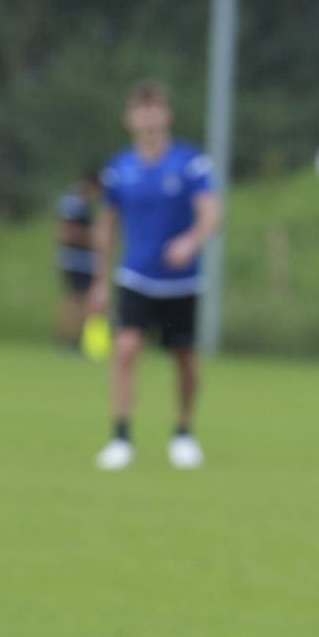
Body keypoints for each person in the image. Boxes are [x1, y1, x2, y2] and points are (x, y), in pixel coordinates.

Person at [87, 81, 222, 471]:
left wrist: (190, 242)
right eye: (140, 111)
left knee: (184, 359)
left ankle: (183, 432)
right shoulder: (118, 169)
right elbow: (107, 227)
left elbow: (212, 214)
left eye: (154, 109)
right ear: (129, 119)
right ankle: (121, 437)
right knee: (125, 348)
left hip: (181, 280)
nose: (148, 118)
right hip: (136, 276)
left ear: (167, 115)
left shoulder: (190, 163)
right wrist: (99, 281)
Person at [55, 168, 100, 351]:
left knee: (80, 299)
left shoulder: (78, 202)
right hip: (75, 259)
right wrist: (93, 238)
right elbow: (66, 233)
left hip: (81, 260)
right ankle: (67, 339)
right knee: (74, 299)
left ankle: (76, 340)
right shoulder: (73, 203)